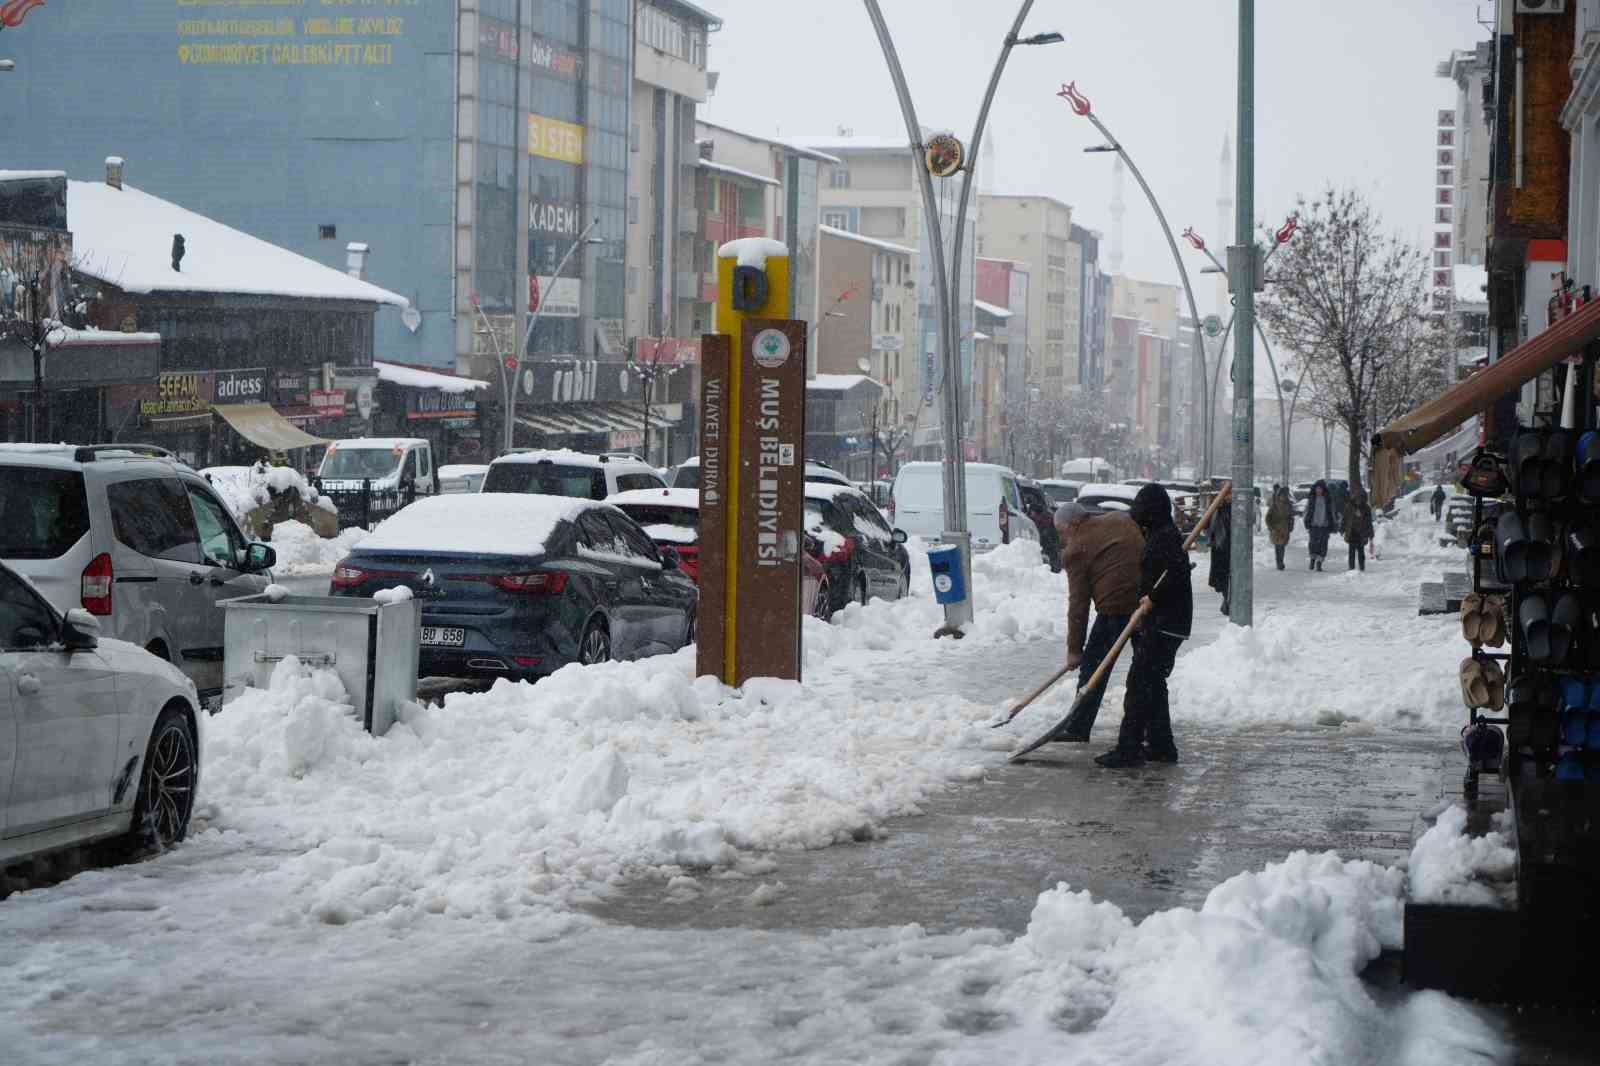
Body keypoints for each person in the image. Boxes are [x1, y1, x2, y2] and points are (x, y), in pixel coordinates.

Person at [1097, 484, 1193, 769]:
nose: (1136, 515)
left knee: (1139, 685)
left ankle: (1130, 748)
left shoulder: (1164, 538)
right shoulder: (1160, 534)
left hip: (1164, 624)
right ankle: (1162, 746)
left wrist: (1153, 596)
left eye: (1141, 508)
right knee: (1152, 684)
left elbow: (1174, 573)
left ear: (1151, 510)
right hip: (1166, 622)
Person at [1051, 502, 1143, 741]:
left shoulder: (1076, 550)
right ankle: (1150, 731)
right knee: (1146, 671)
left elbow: (1078, 605)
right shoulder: (1119, 519)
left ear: (1073, 525)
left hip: (1116, 609)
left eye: (1061, 532)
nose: (1062, 539)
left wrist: (1074, 650)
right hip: (1146, 603)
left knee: (1093, 669)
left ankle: (1078, 728)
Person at [1207, 491, 1231, 614]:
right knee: (1222, 580)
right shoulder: (1215, 511)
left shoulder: (1229, 510)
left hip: (1227, 551)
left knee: (1226, 579)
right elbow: (1208, 526)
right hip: (1218, 551)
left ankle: (1227, 602)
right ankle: (1226, 601)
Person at [1305, 480, 1336, 571]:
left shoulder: (1327, 499)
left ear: (1323, 489)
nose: (1318, 490)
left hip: (1324, 525)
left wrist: (1332, 523)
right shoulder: (1312, 498)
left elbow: (1332, 511)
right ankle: (1312, 559)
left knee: (1323, 545)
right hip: (1313, 525)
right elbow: (1307, 511)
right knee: (1313, 544)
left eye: (1320, 489)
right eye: (1317, 489)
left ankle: (1319, 562)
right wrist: (1306, 521)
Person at [1343, 488, 1376, 571]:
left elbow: (1369, 522)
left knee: (1361, 552)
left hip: (1362, 533)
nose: (1358, 500)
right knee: (1351, 552)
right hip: (1352, 532)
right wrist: (1342, 528)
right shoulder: (1349, 506)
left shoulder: (1366, 508)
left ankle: (1361, 567)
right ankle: (1351, 567)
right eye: (1356, 498)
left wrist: (1370, 534)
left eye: (1360, 498)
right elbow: (1345, 518)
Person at [1265, 484, 1295, 570]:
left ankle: (1280, 561)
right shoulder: (1274, 505)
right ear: (1279, 496)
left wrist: (1290, 526)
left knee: (1282, 546)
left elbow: (1291, 517)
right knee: (1278, 546)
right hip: (1276, 529)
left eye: (1284, 495)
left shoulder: (1289, 505)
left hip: (1285, 530)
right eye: (1282, 495)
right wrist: (1271, 528)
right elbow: (1268, 518)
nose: (1283, 497)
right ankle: (1279, 562)